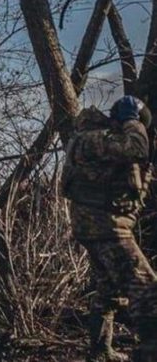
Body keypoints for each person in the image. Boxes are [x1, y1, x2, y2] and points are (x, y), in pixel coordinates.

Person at [62, 96, 156, 362]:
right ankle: (150, 351)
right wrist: (133, 120)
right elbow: (136, 148)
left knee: (109, 290)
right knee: (146, 286)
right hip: (103, 226)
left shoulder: (106, 143)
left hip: (102, 225)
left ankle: (100, 350)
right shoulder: (94, 138)